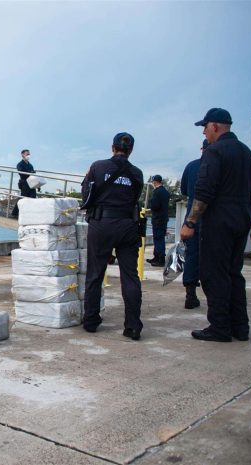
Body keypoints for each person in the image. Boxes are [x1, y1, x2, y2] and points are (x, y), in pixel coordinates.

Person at [180, 108, 251, 342]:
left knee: (213, 274)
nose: (204, 131)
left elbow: (203, 191)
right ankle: (240, 327)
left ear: (215, 126)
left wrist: (190, 222)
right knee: (234, 273)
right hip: (241, 217)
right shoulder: (246, 153)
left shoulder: (214, 152)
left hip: (219, 220)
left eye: (205, 126)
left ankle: (220, 327)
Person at [81, 132, 144, 340]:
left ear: (112, 147)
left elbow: (86, 197)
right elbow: (135, 198)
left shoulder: (97, 167)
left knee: (95, 274)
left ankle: (91, 321)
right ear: (131, 150)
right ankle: (133, 325)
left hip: (102, 224)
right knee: (130, 276)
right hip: (128, 226)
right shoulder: (137, 173)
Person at [179, 139, 207, 309]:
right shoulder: (219, 165)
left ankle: (190, 294)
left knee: (191, 255)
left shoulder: (191, 166)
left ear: (201, 149)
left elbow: (183, 190)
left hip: (192, 218)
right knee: (215, 257)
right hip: (213, 217)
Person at [146, 174, 170, 267]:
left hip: (158, 219)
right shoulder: (165, 192)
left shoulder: (157, 192)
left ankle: (160, 259)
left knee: (158, 239)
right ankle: (156, 257)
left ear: (155, 182)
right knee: (160, 238)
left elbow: (155, 206)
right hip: (164, 218)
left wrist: (151, 203)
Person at [11, 149, 37, 217]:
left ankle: (28, 214)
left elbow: (33, 175)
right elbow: (21, 173)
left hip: (31, 184)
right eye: (27, 154)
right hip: (24, 184)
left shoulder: (30, 165)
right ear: (22, 155)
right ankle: (14, 213)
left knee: (33, 198)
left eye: (29, 154)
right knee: (22, 199)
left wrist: (38, 185)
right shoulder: (20, 164)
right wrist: (30, 172)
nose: (28, 155)